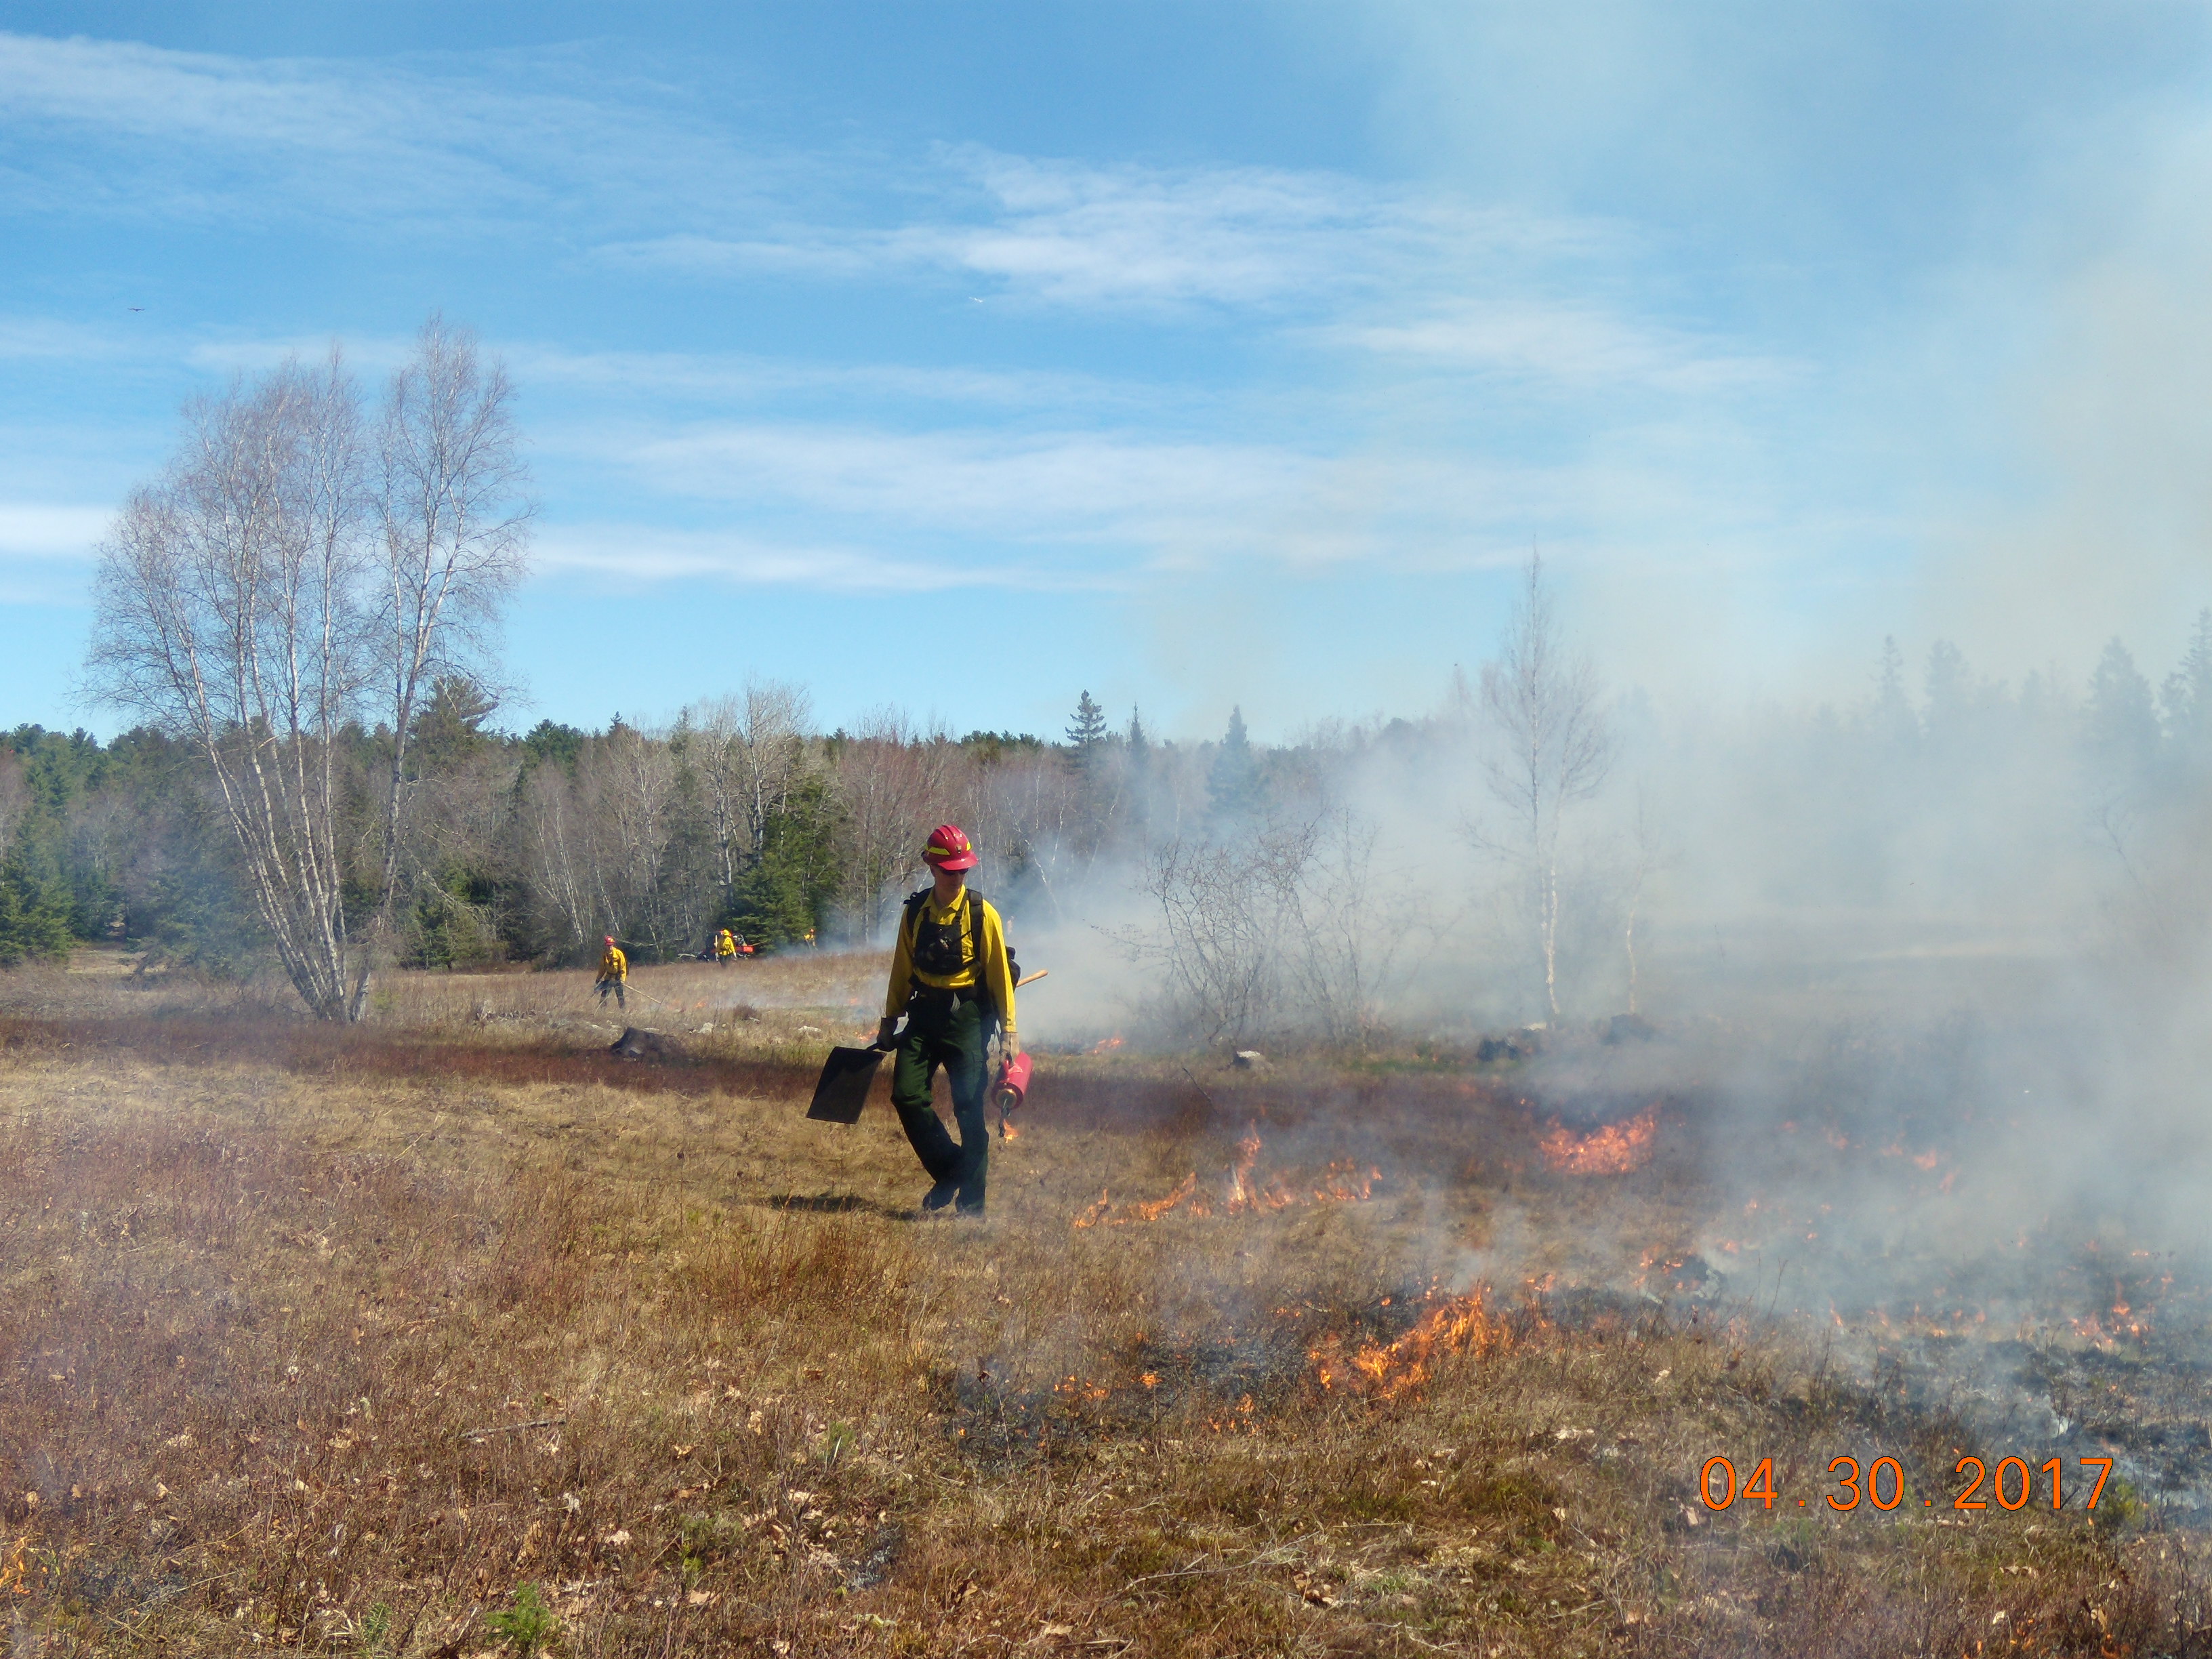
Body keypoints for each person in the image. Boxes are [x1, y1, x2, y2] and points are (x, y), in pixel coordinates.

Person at [877, 823, 1018, 1216]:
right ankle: (951, 1170)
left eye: (963, 871)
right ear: (932, 868)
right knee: (906, 1096)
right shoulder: (915, 913)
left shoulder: (982, 913)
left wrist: (1010, 1031)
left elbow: (999, 978)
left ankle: (972, 1207)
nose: (957, 878)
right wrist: (889, 1020)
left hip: (968, 1021)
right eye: (949, 871)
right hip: (924, 1015)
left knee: (970, 1110)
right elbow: (901, 968)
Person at [596, 935, 628, 1008]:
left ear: (613, 945)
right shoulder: (604, 955)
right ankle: (601, 1012)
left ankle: (623, 1012)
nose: (610, 947)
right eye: (608, 946)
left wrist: (622, 980)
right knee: (604, 996)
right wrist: (598, 978)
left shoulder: (619, 954)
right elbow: (602, 969)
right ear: (605, 946)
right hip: (608, 979)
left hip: (618, 979)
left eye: (611, 945)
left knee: (620, 997)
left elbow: (623, 969)